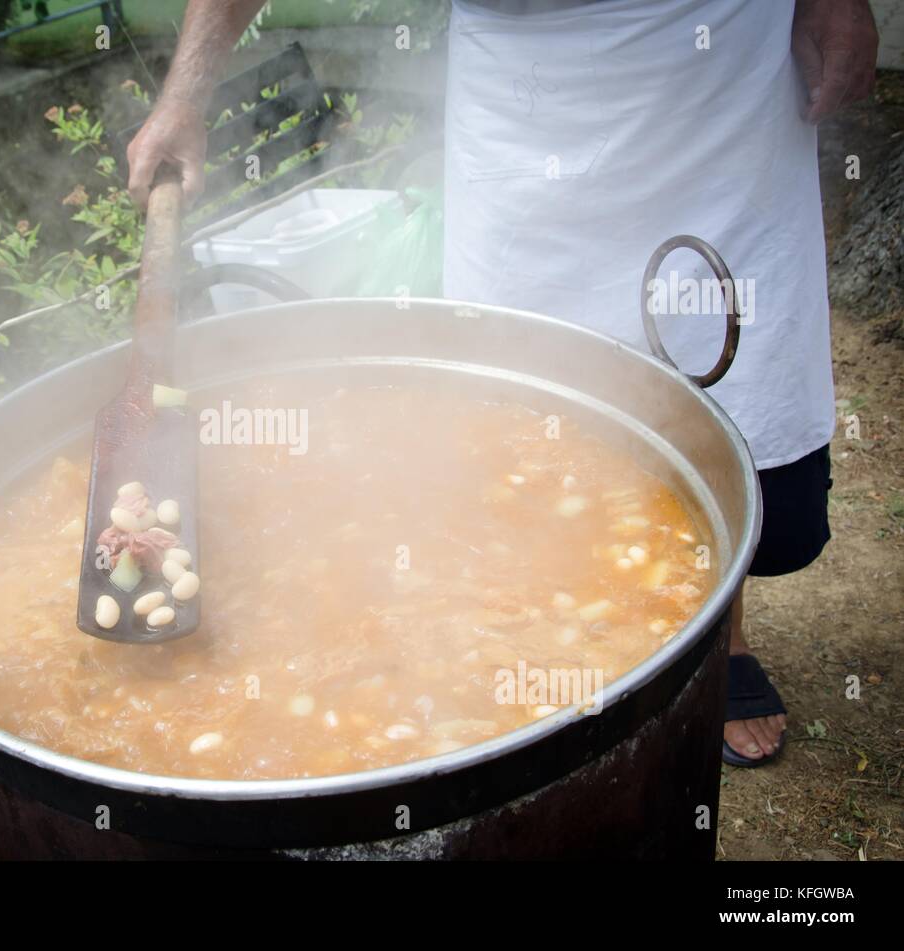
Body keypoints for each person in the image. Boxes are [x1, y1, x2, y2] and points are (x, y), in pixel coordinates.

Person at [125, 0, 879, 767]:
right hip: (524, 87)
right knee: (511, 398)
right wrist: (185, 93)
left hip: (713, 58)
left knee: (716, 383)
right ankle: (505, 637)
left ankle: (720, 633)